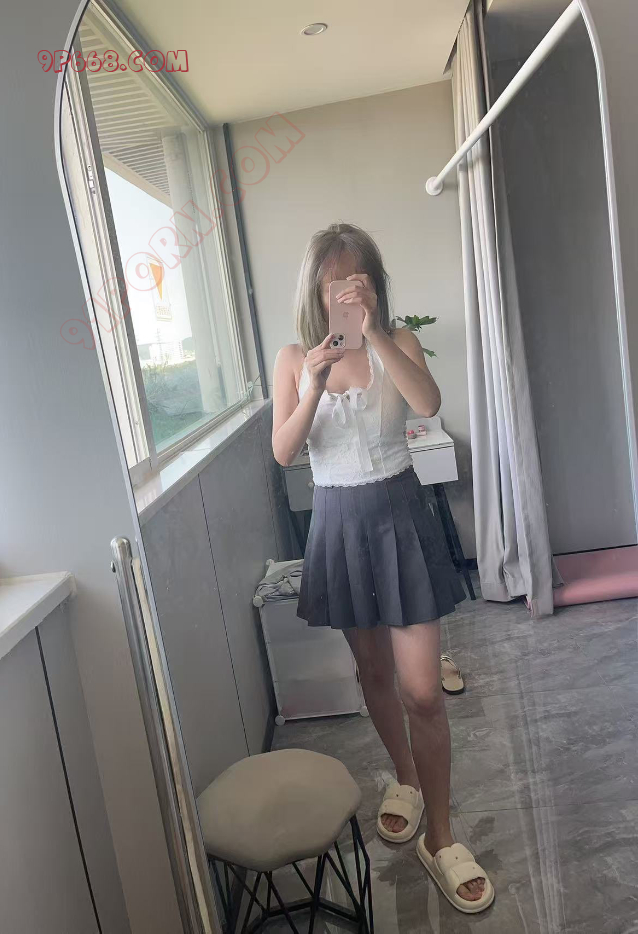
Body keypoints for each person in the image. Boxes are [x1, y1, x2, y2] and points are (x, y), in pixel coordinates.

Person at [272, 223, 494, 913]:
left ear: (373, 284)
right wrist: (312, 382)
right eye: (332, 281)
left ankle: (442, 836)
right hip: (338, 526)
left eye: (356, 280)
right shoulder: (292, 358)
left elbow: (427, 404)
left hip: (400, 517)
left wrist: (372, 335)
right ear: (314, 287)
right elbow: (284, 451)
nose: (344, 292)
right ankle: (406, 777)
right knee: (372, 673)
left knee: (423, 691)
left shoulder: (398, 342)